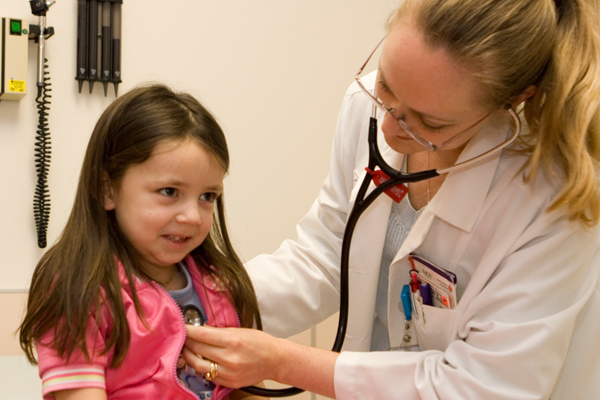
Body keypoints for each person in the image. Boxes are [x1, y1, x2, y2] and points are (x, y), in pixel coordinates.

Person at [183, 0, 600, 398]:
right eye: (385, 85)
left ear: (513, 101)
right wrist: (190, 302)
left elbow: (484, 386)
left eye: (429, 123)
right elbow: (328, 255)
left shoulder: (554, 197)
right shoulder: (364, 105)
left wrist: (281, 362)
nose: (388, 127)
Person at [19, 84, 264, 400]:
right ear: (107, 188)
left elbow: (244, 389)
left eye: (207, 196)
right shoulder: (81, 290)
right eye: (169, 192)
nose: (192, 215)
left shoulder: (218, 282)